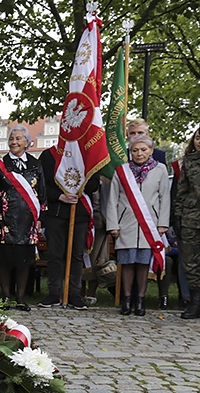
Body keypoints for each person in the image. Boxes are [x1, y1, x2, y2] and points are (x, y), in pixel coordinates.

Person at [106, 135, 170, 316]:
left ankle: (140, 300)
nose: (139, 153)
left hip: (150, 226)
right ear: (130, 152)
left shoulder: (160, 170)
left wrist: (163, 223)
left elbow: (164, 198)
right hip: (126, 224)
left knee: (143, 262)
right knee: (127, 262)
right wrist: (113, 224)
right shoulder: (121, 171)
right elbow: (112, 200)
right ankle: (126, 300)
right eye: (135, 150)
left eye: (143, 150)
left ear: (151, 150)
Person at [0, 126, 46, 311]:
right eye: (12, 138)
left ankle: (20, 298)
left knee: (24, 260)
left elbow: (41, 193)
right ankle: (6, 297)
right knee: (4, 260)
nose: (14, 142)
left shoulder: (35, 164)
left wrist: (40, 219)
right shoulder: (1, 164)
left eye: (19, 139)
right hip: (4, 219)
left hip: (27, 221)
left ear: (27, 143)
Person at [38, 147, 100, 310]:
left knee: (76, 255)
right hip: (55, 213)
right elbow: (41, 184)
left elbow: (94, 183)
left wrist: (80, 187)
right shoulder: (48, 155)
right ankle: (54, 293)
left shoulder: (87, 154)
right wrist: (59, 196)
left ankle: (74, 294)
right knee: (55, 255)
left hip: (79, 213)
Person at [175, 126, 200, 319]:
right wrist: (178, 216)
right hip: (192, 218)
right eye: (198, 138)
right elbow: (182, 191)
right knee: (190, 262)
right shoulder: (189, 163)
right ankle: (195, 301)